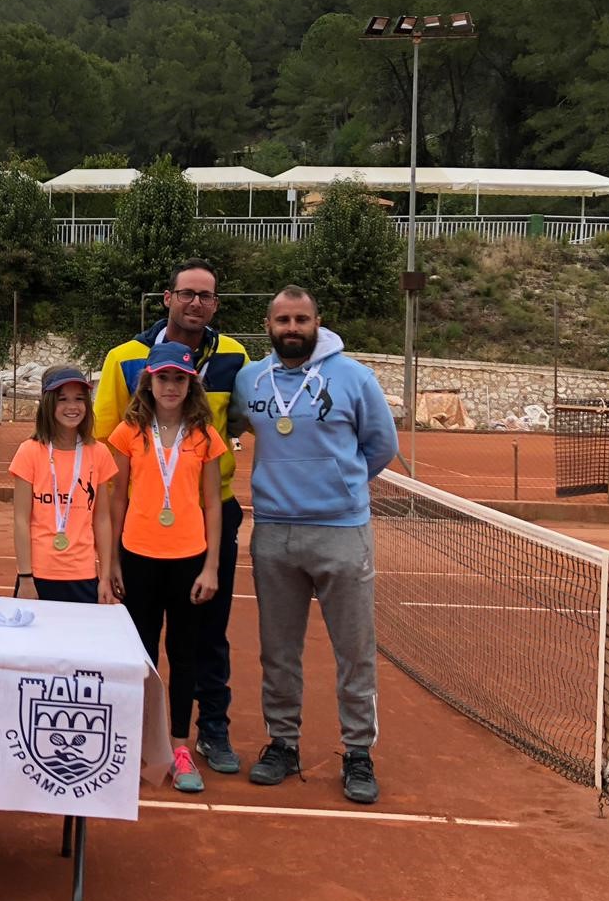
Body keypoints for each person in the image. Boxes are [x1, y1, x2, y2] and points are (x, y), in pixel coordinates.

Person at [235, 286, 397, 804]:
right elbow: (235, 425)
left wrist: (342, 488)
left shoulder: (354, 377)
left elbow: (382, 445)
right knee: (278, 651)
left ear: (317, 322)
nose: (292, 328)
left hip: (341, 531)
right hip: (273, 533)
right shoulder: (249, 380)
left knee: (355, 652)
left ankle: (358, 753)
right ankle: (283, 744)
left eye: (301, 319)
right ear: (268, 324)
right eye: (282, 320)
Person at [93, 259, 249, 775]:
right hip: (139, 534)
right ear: (168, 298)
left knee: (205, 636)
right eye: (187, 293)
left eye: (206, 295)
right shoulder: (124, 358)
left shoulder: (235, 356)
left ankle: (209, 733)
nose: (196, 303)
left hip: (206, 526)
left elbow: (241, 424)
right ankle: (136, 739)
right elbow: (106, 448)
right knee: (138, 643)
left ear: (216, 303)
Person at [107, 341, 227, 794]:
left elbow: (212, 504)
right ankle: (139, 741)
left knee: (183, 654)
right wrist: (112, 561)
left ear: (191, 384)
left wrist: (211, 567)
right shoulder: (128, 433)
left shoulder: (205, 437)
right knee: (141, 656)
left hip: (189, 560)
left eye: (179, 378)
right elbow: (117, 502)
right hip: (138, 557)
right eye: (163, 378)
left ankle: (179, 746)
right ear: (149, 383)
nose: (171, 386)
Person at [10, 366, 118, 604]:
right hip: (38, 574)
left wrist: (104, 577)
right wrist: (25, 577)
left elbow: (102, 519)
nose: (72, 406)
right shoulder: (29, 452)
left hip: (83, 575)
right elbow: (21, 520)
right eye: (63, 399)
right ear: (48, 403)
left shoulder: (99, 453)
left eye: (79, 399)